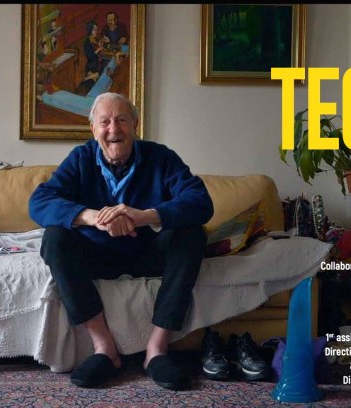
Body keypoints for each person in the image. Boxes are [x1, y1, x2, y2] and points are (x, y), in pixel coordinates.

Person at [29, 92, 214, 391]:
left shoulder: (161, 157)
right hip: (96, 255)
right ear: (93, 129)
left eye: (122, 120)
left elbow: (200, 202)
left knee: (192, 233)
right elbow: (39, 202)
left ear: (136, 125)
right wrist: (91, 217)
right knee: (55, 237)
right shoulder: (81, 158)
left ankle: (156, 350)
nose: (113, 129)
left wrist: (145, 216)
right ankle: (104, 349)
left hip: (148, 253)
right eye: (104, 122)